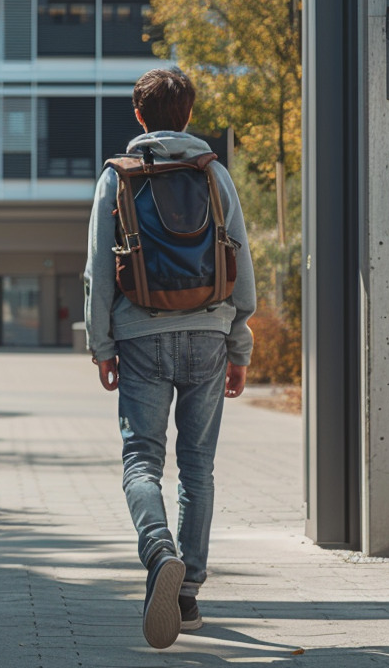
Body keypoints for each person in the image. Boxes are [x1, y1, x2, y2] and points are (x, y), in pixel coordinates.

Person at [84, 67, 256, 650]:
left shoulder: (118, 177)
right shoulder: (214, 173)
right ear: (189, 115)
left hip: (140, 331)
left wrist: (102, 345)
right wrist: (239, 343)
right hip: (209, 331)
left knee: (142, 460)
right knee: (199, 465)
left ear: (139, 116)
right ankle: (188, 596)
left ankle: (160, 552)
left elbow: (97, 272)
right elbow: (241, 263)